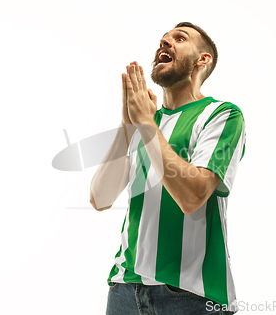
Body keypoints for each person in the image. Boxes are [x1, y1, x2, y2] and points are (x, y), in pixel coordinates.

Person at [90, 22, 246, 315]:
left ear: (202, 60)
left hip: (192, 297)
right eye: (162, 40)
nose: (165, 42)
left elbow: (193, 196)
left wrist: (146, 125)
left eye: (179, 38)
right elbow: (100, 198)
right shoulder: (145, 121)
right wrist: (128, 126)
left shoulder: (222, 115)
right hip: (125, 290)